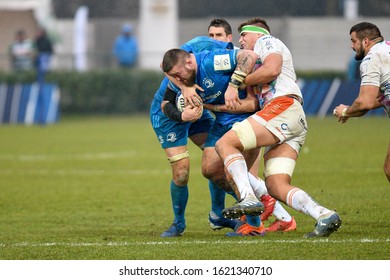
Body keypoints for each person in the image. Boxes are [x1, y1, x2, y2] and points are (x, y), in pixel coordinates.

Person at [214, 17, 342, 238]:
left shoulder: (267, 41)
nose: (241, 39)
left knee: (225, 143)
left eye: (244, 34)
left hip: (283, 107)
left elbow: (273, 69)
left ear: (259, 33)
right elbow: (252, 102)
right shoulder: (256, 61)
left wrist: (240, 82)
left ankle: (248, 198)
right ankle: (324, 214)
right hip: (292, 119)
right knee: (276, 185)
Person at [333, 22, 390, 182]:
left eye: (353, 41)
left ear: (365, 41)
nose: (352, 46)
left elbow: (365, 102)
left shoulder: (372, 57)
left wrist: (345, 111)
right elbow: (380, 97)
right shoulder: (387, 48)